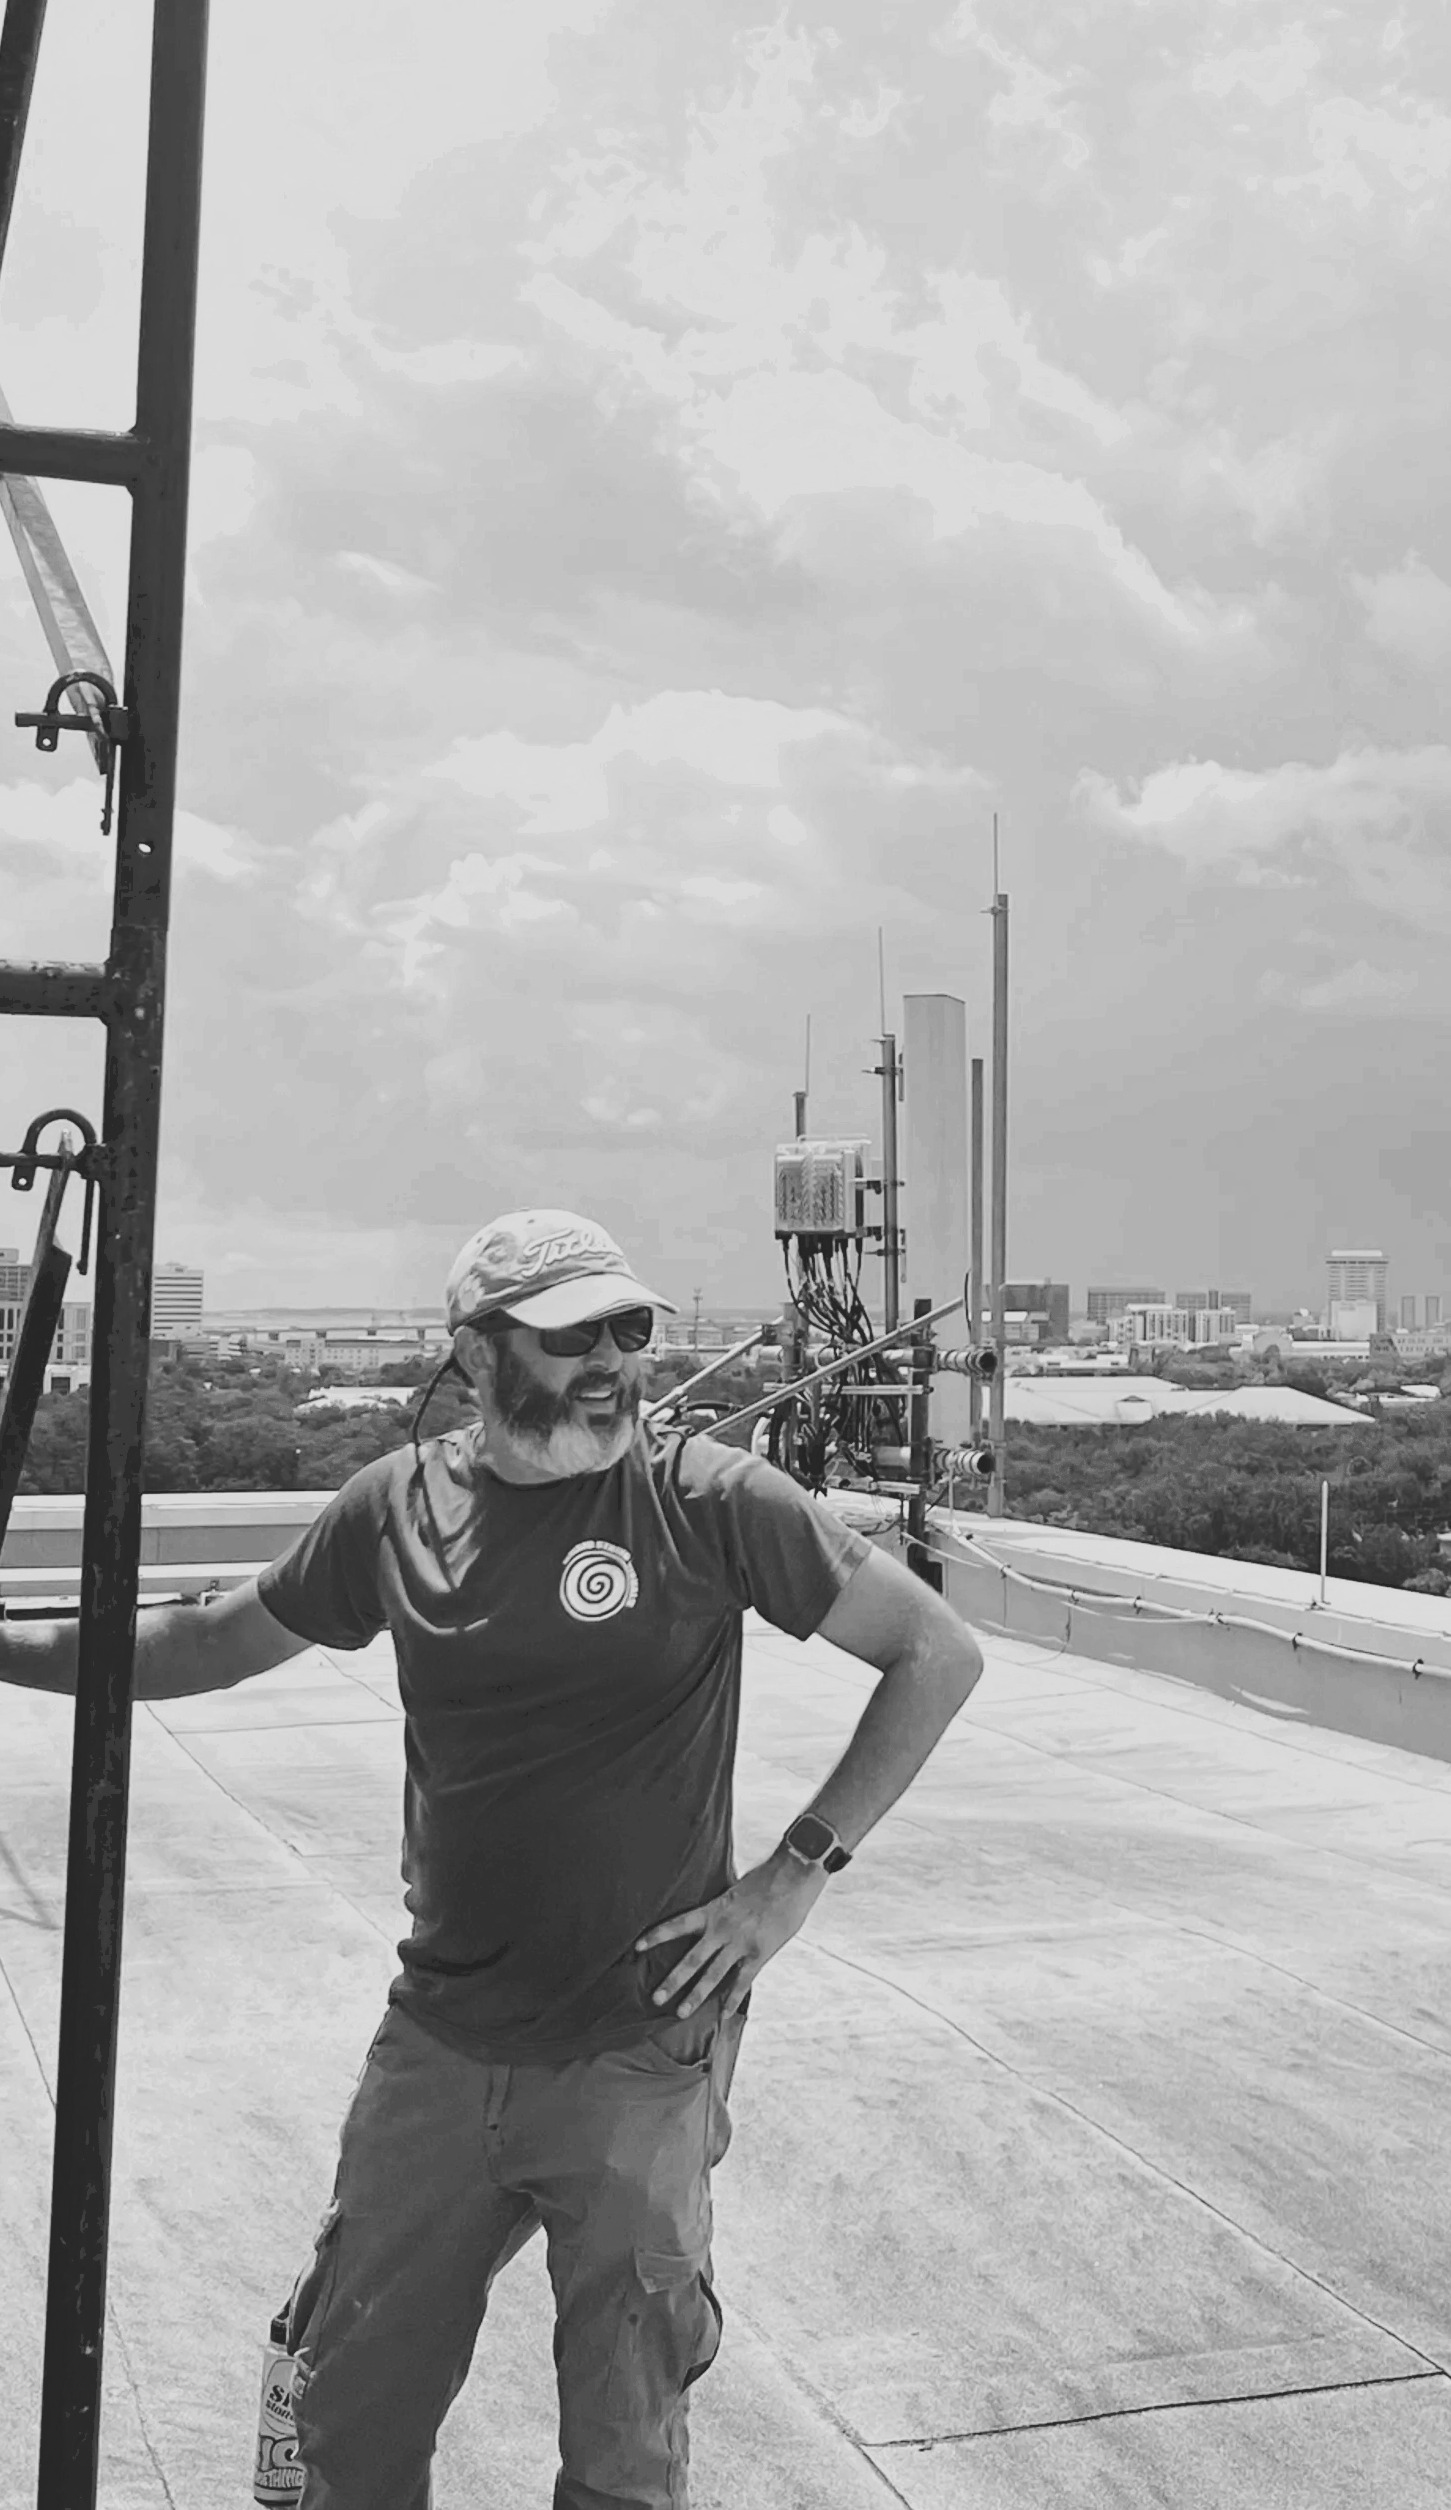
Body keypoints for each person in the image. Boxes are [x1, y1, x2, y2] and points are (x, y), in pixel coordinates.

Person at [0, 1208, 984, 2510]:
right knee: (335, 2403)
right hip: (443, 2032)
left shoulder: (711, 1501)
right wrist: (9, 1649)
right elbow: (214, 1636)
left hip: (641, 2046)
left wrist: (792, 1875)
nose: (613, 1359)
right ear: (472, 1349)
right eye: (571, 1333)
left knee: (625, 2448)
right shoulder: (396, 1507)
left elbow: (937, 1651)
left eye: (630, 1327)